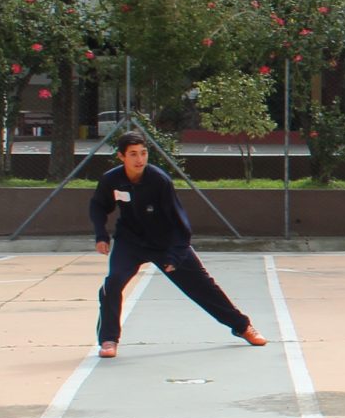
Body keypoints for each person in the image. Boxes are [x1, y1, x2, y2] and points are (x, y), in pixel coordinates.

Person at [88, 133, 268, 358]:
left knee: (203, 287)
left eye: (143, 153)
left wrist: (174, 256)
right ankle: (108, 339)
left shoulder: (159, 180)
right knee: (112, 283)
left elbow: (179, 223)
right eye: (133, 154)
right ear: (121, 156)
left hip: (165, 242)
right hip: (130, 241)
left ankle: (242, 327)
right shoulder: (111, 180)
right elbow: (98, 206)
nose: (139, 159)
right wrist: (101, 235)